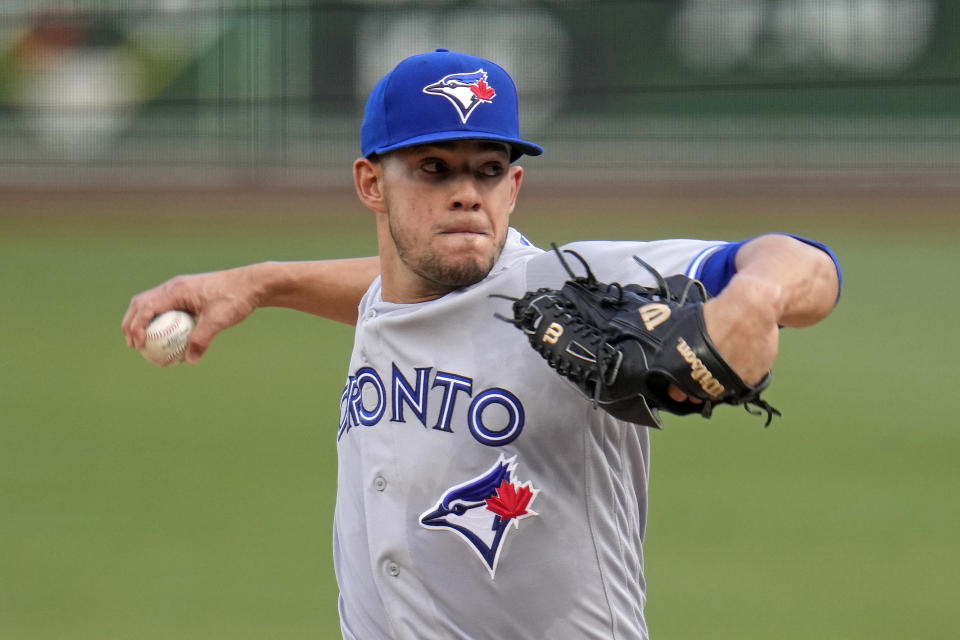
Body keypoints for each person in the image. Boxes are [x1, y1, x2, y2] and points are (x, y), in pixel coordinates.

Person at [122, 50, 841, 639]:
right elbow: (403, 295)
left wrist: (753, 296)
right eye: (434, 168)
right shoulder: (398, 294)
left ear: (515, 186)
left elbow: (809, 265)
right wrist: (259, 282)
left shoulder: (563, 288)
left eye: (487, 170)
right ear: (372, 184)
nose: (467, 192)